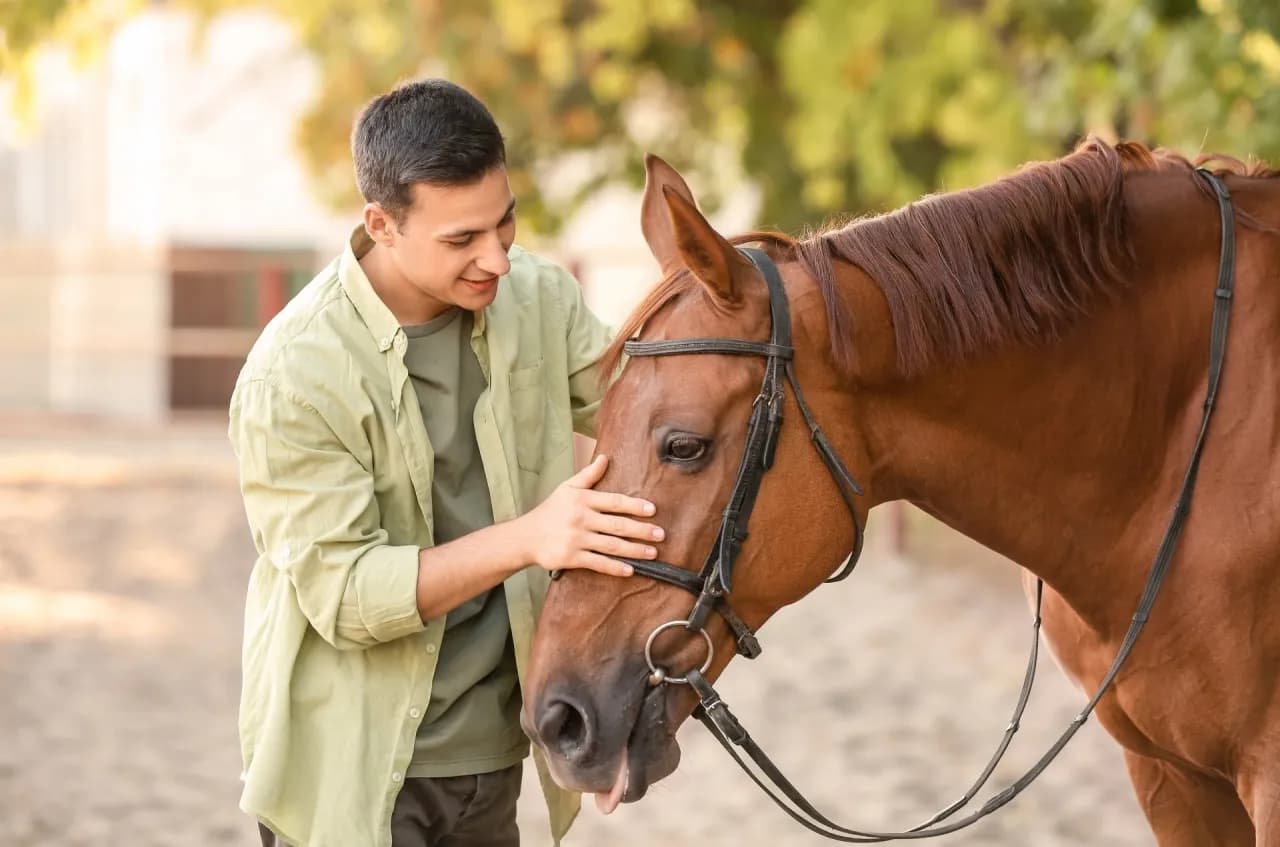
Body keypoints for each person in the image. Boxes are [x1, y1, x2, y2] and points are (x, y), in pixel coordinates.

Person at [228, 78, 664, 847]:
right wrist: (531, 537)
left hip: (492, 760)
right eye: (462, 240)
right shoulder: (291, 376)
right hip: (353, 772)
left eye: (506, 222)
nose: (496, 257)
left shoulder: (538, 299)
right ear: (381, 225)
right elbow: (349, 596)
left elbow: (655, 423)